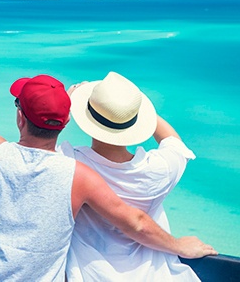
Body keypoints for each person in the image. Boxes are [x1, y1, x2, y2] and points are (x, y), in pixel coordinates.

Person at [0, 61, 216, 282]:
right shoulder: (78, 175)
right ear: (67, 121)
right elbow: (136, 222)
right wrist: (180, 246)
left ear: (20, 117)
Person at [62, 72, 201, 281]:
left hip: (90, 274)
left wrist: (64, 107)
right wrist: (135, 109)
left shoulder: (70, 163)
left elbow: (39, 147)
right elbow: (174, 142)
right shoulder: (160, 169)